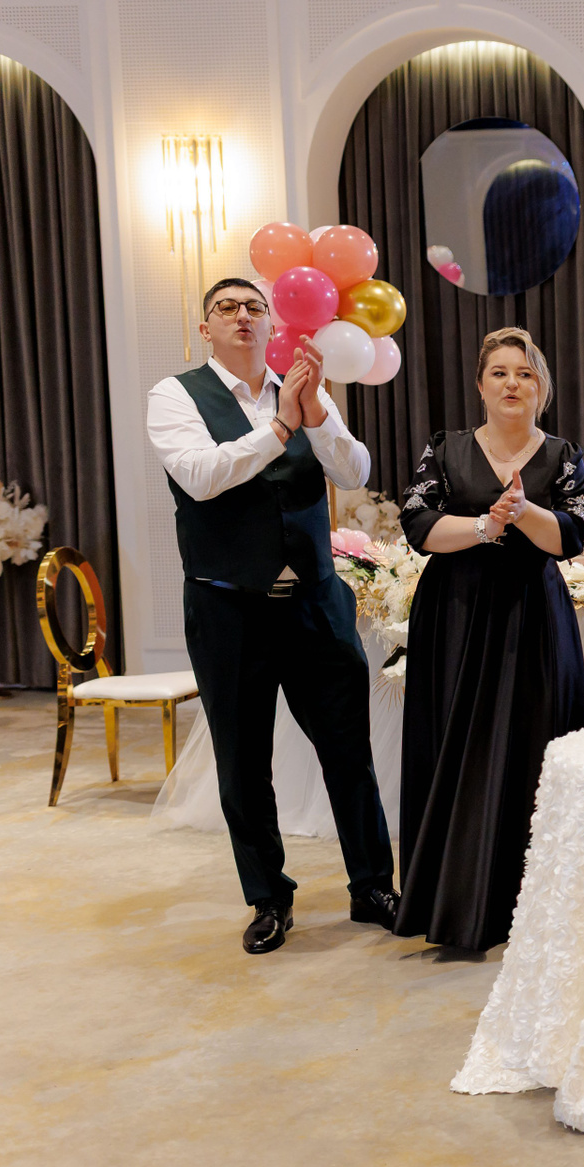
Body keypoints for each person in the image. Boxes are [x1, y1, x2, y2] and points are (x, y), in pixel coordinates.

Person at [147, 276, 398, 955]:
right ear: (206, 329)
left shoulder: (302, 387)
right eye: (226, 308)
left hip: (314, 601)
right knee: (243, 760)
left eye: (254, 307)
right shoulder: (176, 395)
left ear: (270, 325)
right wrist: (280, 425)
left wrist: (313, 416)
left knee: (348, 750)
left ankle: (373, 886)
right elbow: (201, 476)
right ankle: (268, 898)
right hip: (228, 605)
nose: (242, 316)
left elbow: (353, 472)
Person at [395, 327, 584, 951]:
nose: (513, 383)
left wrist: (524, 512)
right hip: (455, 614)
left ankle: (539, 903)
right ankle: (453, 903)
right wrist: (486, 525)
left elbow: (572, 536)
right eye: (500, 373)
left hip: (533, 617)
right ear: (480, 386)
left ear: (542, 388)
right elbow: (417, 525)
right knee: (456, 745)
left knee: (536, 744)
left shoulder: (563, 455)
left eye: (525, 373)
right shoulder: (446, 449)